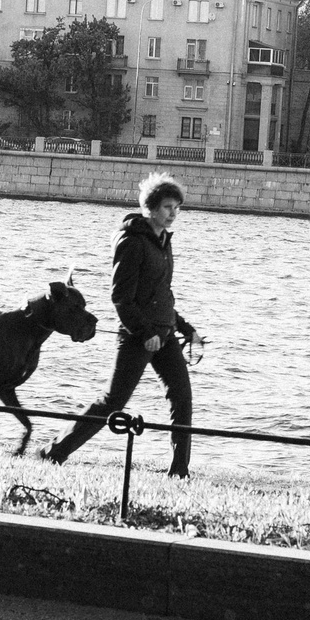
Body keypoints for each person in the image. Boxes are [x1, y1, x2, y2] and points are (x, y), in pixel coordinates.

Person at [48, 173, 198, 476]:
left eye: (177, 208)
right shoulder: (132, 242)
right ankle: (54, 453)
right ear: (150, 208)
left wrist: (185, 328)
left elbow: (161, 294)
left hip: (165, 335)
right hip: (137, 337)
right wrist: (144, 333)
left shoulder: (163, 241)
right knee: (112, 402)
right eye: (167, 207)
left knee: (182, 399)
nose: (173, 213)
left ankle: (179, 472)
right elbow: (120, 297)